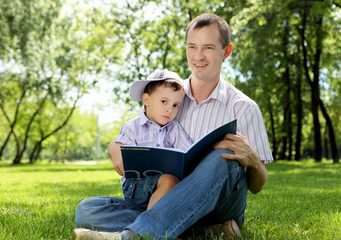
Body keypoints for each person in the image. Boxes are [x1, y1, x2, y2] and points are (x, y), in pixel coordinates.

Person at [73, 13, 273, 240]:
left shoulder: (244, 108)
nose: (198, 56)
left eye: (208, 47)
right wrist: (114, 146)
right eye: (192, 46)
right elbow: (139, 128)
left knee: (225, 154)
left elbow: (257, 186)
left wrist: (253, 161)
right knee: (87, 209)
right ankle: (201, 233)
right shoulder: (168, 95)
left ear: (226, 51)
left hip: (218, 208)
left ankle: (134, 236)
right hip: (164, 198)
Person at [114, 69, 192, 211]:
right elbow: (121, 157)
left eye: (175, 105)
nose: (170, 109)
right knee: (168, 180)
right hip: (136, 186)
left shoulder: (175, 129)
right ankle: (147, 227)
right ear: (147, 100)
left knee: (172, 181)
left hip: (166, 188)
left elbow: (189, 153)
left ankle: (145, 219)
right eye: (164, 101)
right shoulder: (132, 127)